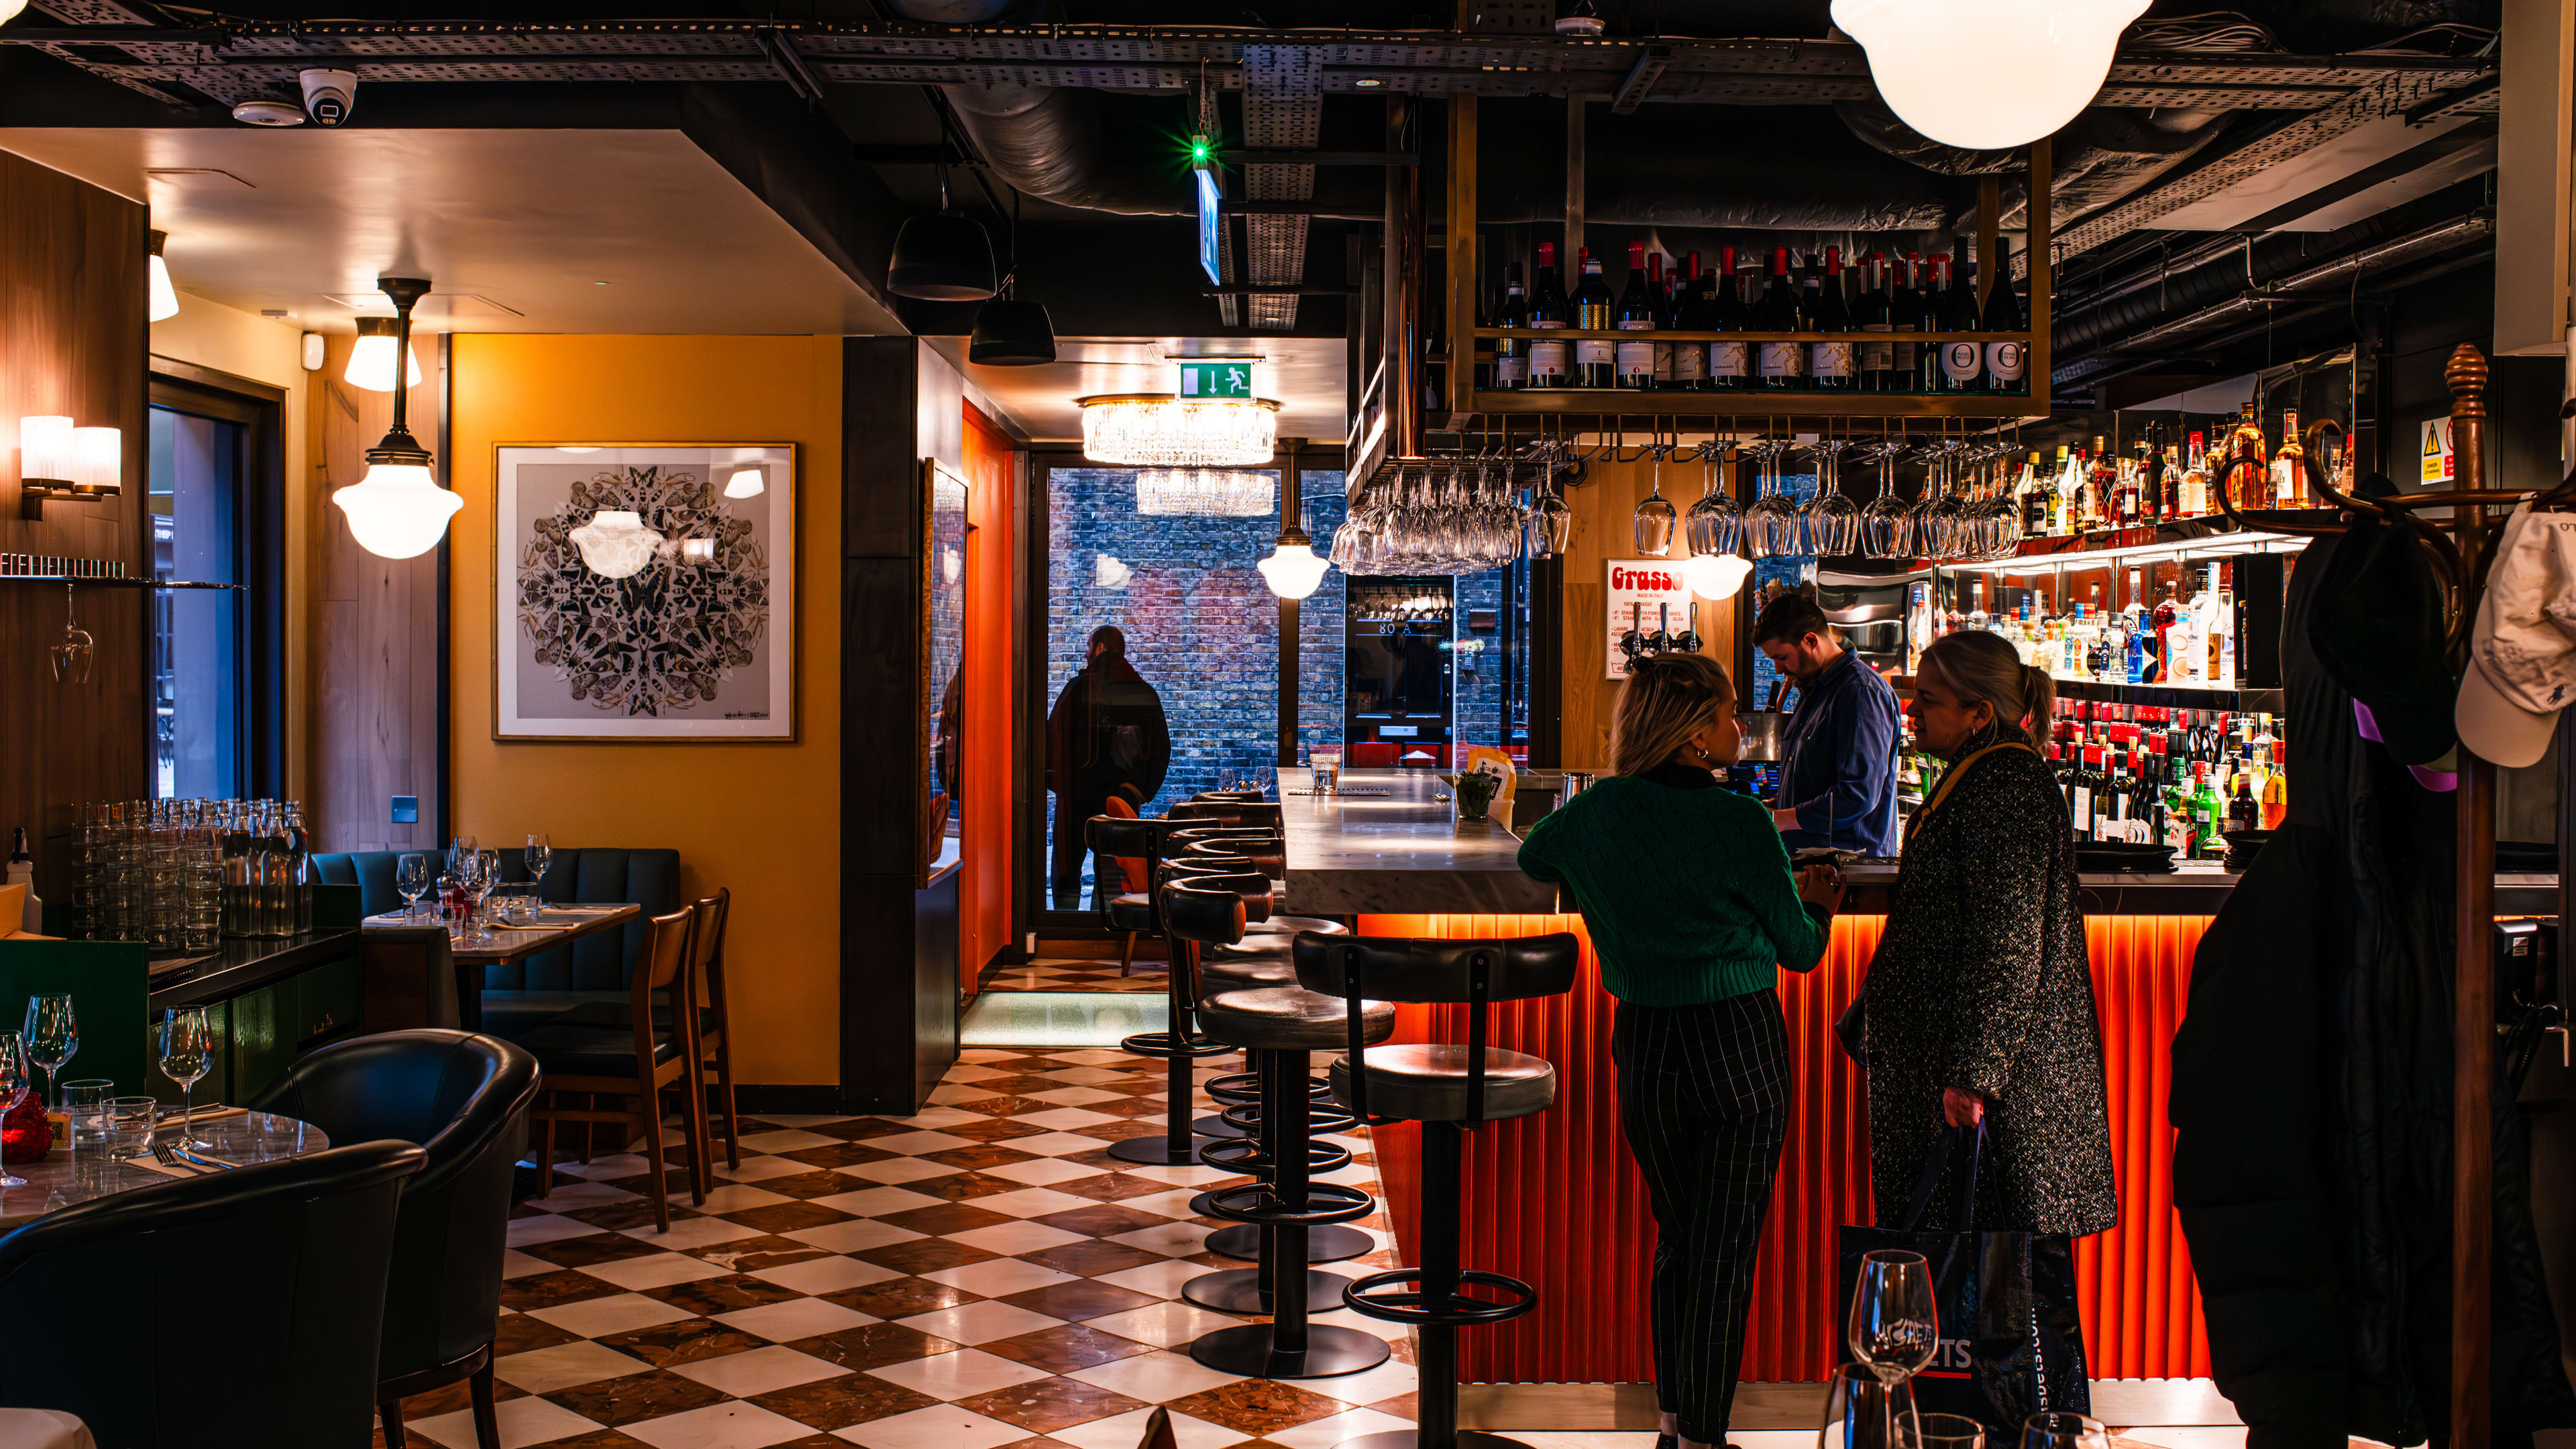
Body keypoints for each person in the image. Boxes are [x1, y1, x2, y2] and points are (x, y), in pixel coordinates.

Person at [1517, 653, 1844, 1449]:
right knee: (1724, 1253)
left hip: (1648, 1045)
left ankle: (1674, 1424)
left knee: (1679, 1236)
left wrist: (1614, 898)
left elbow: (1534, 857)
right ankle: (1702, 1438)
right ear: (1696, 735)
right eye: (1731, 714)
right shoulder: (1740, 823)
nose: (1742, 726)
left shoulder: (1597, 814)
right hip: (1738, 1044)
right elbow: (1800, 953)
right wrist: (1822, 905)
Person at [1864, 629, 2115, 1236]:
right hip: (1965, 1070)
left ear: (1979, 713)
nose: (1912, 711)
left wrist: (1974, 1076)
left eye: (1928, 699)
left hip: (1995, 1094)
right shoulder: (1983, 774)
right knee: (1967, 1277)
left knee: (1992, 1286)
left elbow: (2007, 947)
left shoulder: (2005, 787)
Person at [1753, 592, 1902, 855]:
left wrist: (1782, 819)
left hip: (1850, 872)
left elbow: (1857, 795)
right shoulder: (1815, 690)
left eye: (1782, 657)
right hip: (1816, 865)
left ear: (1810, 640)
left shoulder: (1861, 692)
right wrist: (1776, 806)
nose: (1777, 669)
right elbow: (1816, 784)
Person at [1045, 626, 1171, 910]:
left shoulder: (1078, 690)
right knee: (1113, 870)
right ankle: (1104, 925)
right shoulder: (1142, 691)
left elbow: (1053, 738)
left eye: (1089, 647)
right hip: (1121, 797)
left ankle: (1067, 926)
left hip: (1077, 795)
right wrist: (1141, 791)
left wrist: (1058, 783)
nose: (1086, 653)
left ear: (1100, 648)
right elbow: (1162, 749)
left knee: (1068, 869)